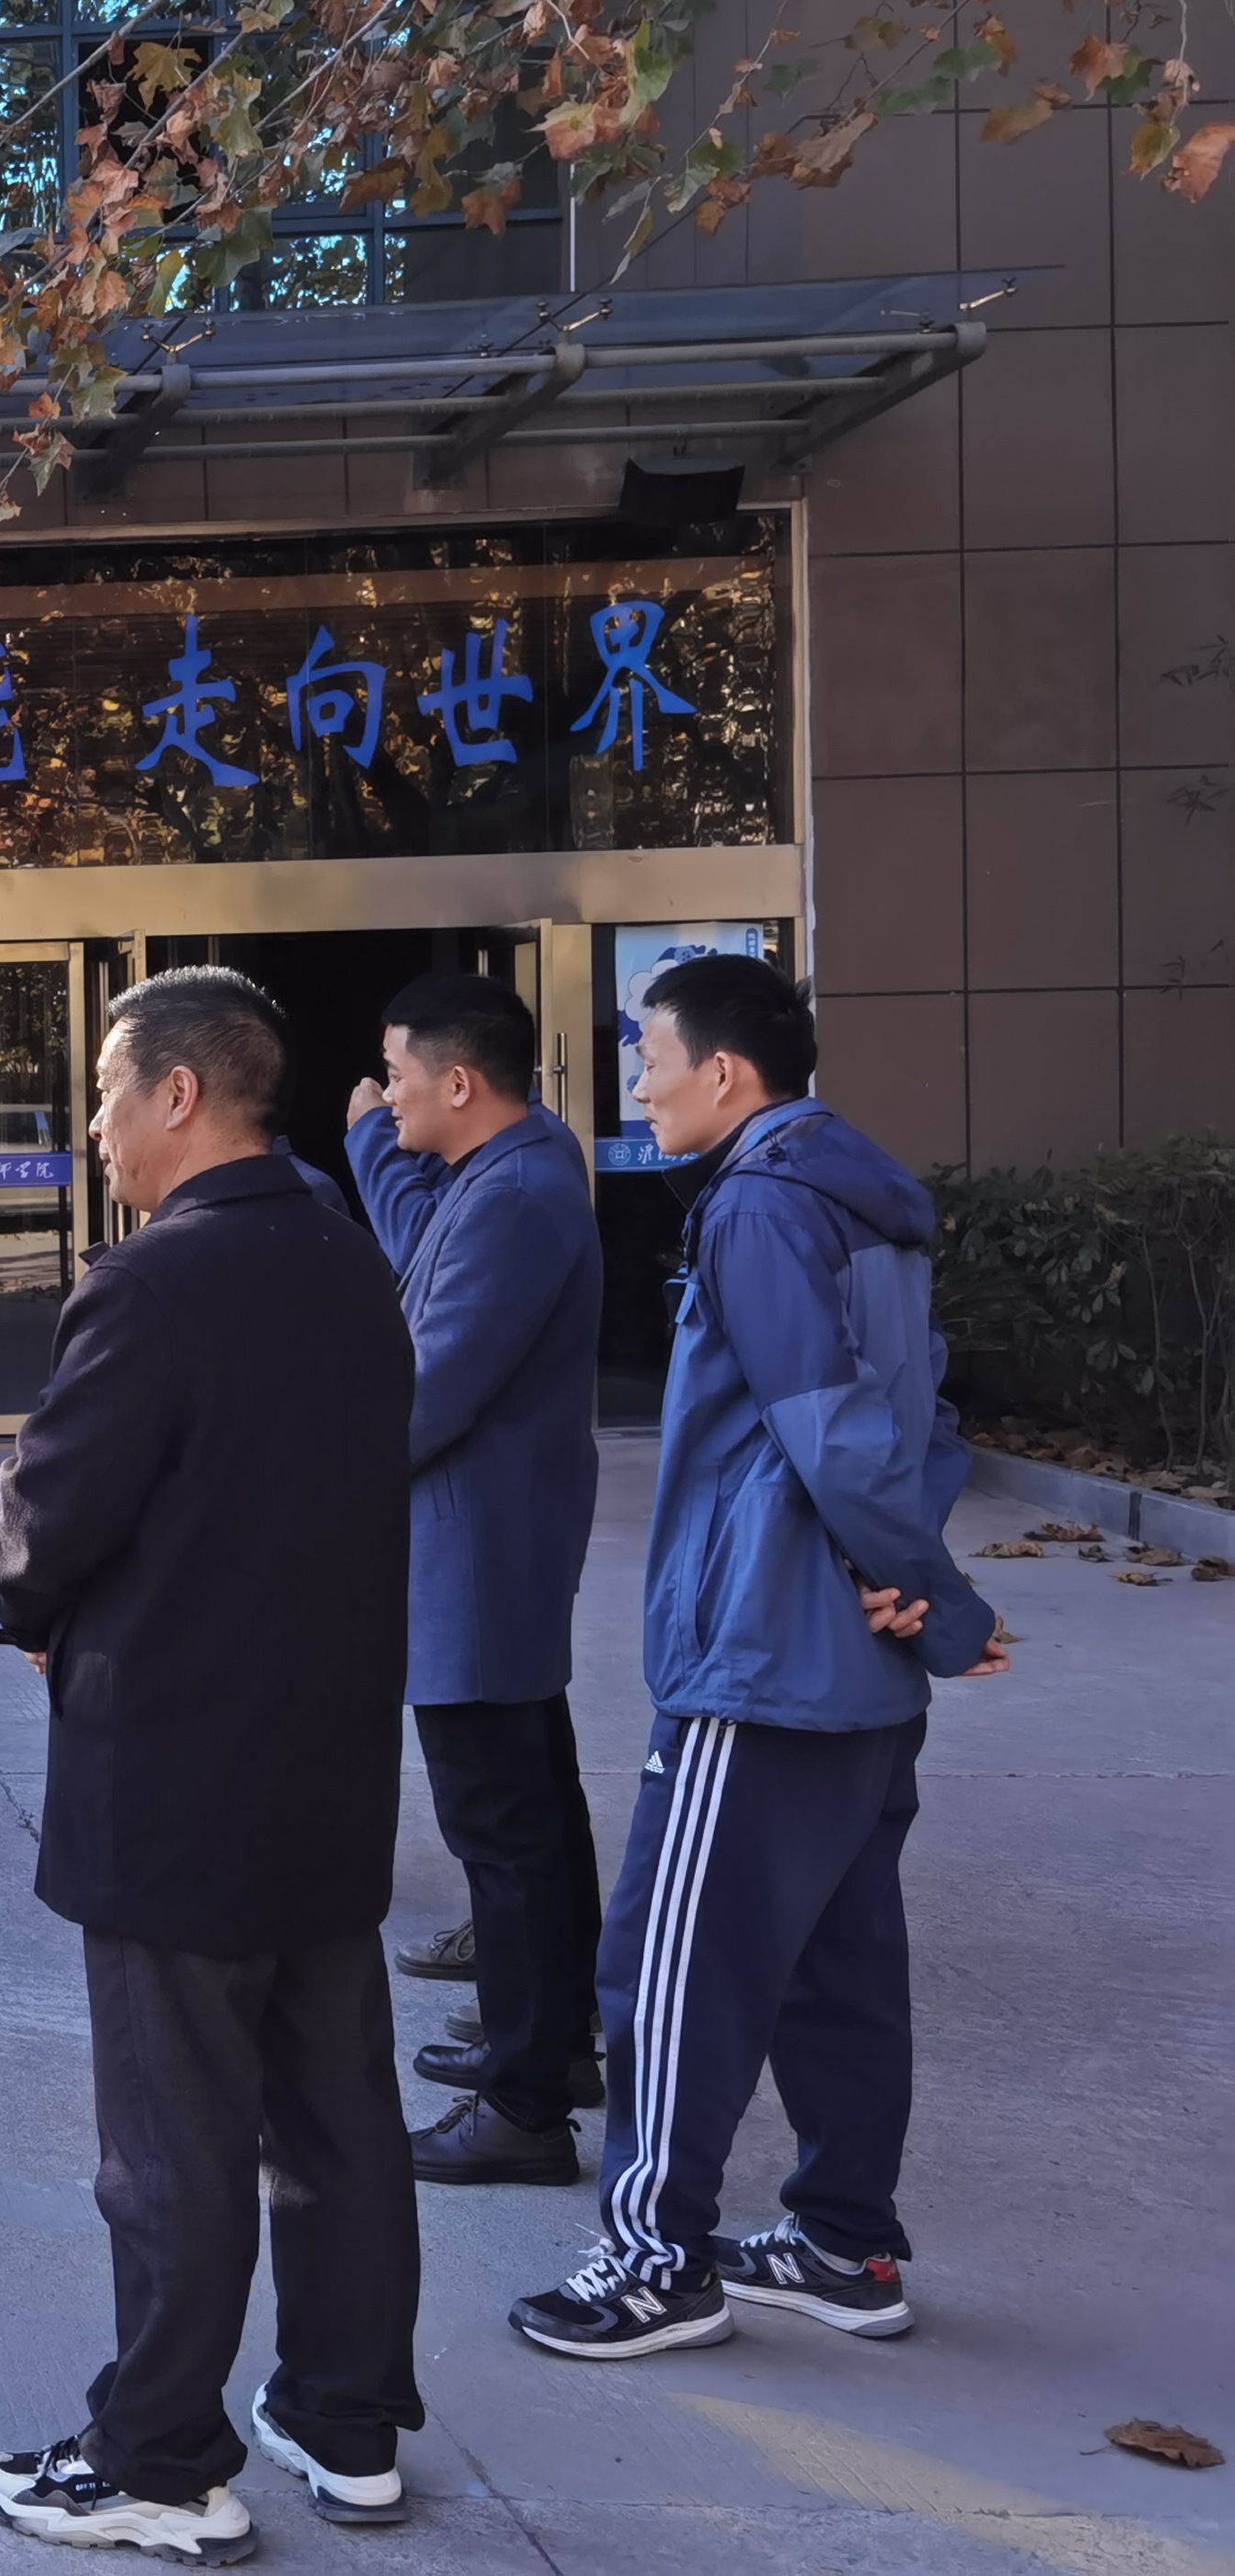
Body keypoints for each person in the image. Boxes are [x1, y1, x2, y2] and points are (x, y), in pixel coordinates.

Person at [0, 967, 424, 2558]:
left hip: (174, 1773)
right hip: (327, 1769)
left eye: (107, 1094)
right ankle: (348, 2421)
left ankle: (159, 2457)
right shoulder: (351, 1260)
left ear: (179, 1093)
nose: (95, 1128)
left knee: (171, 2141)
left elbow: (49, 1517)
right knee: (334, 2117)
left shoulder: (157, 1280)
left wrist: (31, 1605)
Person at [509, 955, 1012, 2361]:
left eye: (651, 1059)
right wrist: (909, 1585)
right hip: (849, 1665)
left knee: (669, 1964)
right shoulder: (861, 1198)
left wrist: (932, 1595)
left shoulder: (758, 1206)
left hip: (764, 1655)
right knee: (836, 1969)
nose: (641, 1088)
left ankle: (653, 2261)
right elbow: (919, 1418)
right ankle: (846, 2244)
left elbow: (832, 1432)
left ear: (724, 1073)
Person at [346, 973, 607, 2188]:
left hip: (476, 1556)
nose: (385, 1094)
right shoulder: (510, 1167)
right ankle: (548, 2049)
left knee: (504, 1832)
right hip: (490, 1546)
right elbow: (426, 1267)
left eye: (397, 1077)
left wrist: (292, 1476)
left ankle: (523, 2107)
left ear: (458, 1081)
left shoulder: (515, 1197)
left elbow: (428, 1387)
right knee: (531, 1812)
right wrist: (372, 1144)